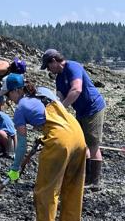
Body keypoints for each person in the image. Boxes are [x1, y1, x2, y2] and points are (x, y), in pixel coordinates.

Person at [3, 73, 87, 221]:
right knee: (72, 187)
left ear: (17, 91)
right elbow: (57, 118)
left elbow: (21, 145)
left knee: (46, 190)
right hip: (78, 136)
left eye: (8, 94)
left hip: (60, 140)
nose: (8, 99)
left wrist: (14, 168)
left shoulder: (20, 108)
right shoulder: (44, 92)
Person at [41, 49, 106, 189]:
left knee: (93, 144)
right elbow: (60, 96)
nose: (48, 70)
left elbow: (77, 89)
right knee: (82, 144)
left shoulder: (73, 67)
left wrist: (62, 108)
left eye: (48, 66)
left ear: (54, 61)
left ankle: (94, 182)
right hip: (81, 111)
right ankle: (86, 178)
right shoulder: (59, 77)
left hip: (93, 108)